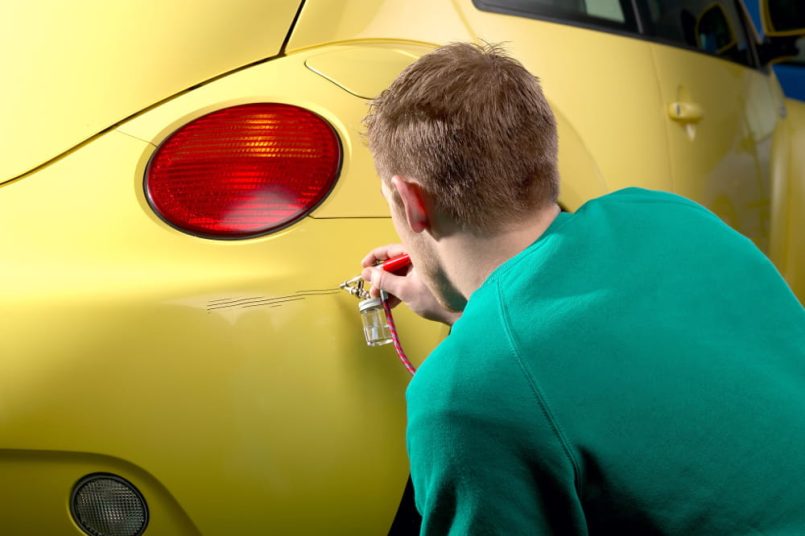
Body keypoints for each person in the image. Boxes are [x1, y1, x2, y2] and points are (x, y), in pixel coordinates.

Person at [360, 42, 805, 535]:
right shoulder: (668, 214)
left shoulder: (458, 398)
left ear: (410, 200)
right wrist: (470, 319)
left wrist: (476, 350)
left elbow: (517, 382)